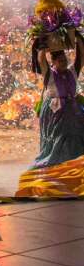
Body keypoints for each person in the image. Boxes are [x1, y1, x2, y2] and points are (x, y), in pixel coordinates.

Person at [27, 35, 84, 168]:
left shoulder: (72, 71)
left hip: (72, 110)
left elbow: (81, 57)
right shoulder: (50, 74)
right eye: (60, 61)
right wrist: (41, 43)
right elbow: (41, 60)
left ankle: (74, 163)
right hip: (55, 112)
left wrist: (79, 39)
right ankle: (57, 165)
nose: (64, 63)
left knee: (76, 136)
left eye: (65, 60)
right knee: (59, 137)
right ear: (53, 62)